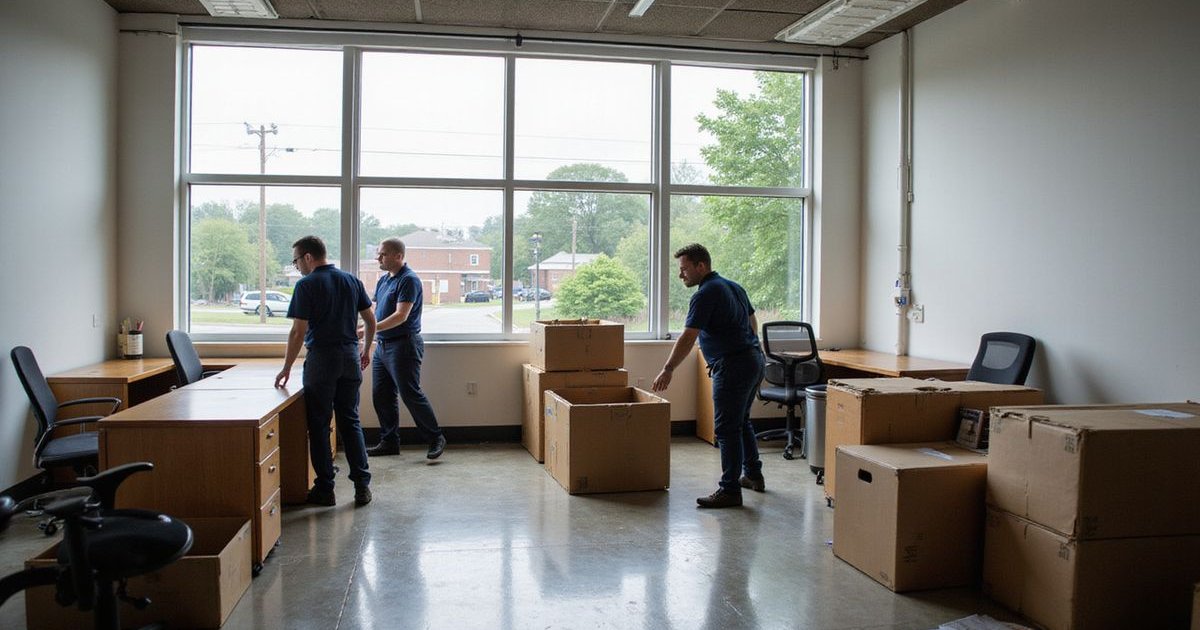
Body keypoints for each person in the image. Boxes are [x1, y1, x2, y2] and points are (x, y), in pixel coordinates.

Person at [652, 243, 765, 509]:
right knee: (742, 421)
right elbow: (752, 320)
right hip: (753, 359)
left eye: (684, 269)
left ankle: (729, 490)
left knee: (726, 428)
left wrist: (668, 368)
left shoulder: (706, 293)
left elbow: (689, 336)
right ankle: (753, 474)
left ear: (700, 266)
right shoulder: (732, 286)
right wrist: (752, 345)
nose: (681, 275)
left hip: (733, 365)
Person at [275, 235, 376, 507]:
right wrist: (366, 350)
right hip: (349, 357)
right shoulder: (351, 280)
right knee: (350, 421)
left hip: (322, 360)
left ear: (308, 257)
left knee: (319, 425)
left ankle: (325, 489)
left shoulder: (307, 285)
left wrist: (286, 367)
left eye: (296, 261)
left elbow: (298, 331)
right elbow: (370, 319)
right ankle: (362, 487)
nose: (297, 267)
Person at [366, 237, 447, 460]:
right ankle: (389, 442)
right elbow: (375, 312)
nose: (378, 258)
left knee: (410, 393)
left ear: (398, 256)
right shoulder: (384, 281)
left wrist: (369, 329)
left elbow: (401, 316)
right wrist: (365, 329)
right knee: (381, 395)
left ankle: (435, 438)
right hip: (383, 346)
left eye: (382, 254)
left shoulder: (409, 280)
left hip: (404, 344)